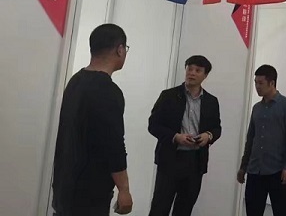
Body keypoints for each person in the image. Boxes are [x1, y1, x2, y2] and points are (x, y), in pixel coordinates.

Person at [52, 23, 133, 216]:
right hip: (90, 193)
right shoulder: (108, 91)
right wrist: (124, 190)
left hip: (65, 185)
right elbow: (113, 145)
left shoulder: (75, 81)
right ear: (120, 50)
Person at [148, 55, 222, 216]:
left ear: (205, 75)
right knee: (160, 208)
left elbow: (217, 128)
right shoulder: (168, 96)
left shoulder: (211, 101)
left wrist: (208, 135)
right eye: (189, 69)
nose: (192, 73)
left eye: (198, 70)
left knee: (184, 209)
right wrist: (176, 137)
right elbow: (153, 125)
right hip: (170, 160)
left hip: (195, 162)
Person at [237, 64, 286, 216]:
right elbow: (251, 138)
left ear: (272, 83)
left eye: (261, 83)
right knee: (253, 210)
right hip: (255, 169)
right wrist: (244, 166)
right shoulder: (256, 108)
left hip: (277, 170)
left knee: (282, 211)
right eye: (255, 83)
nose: (257, 87)